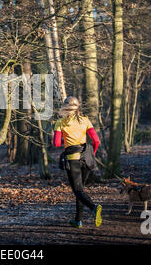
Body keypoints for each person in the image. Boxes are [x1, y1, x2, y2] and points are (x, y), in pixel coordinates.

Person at [53, 96, 102, 228]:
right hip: (86, 158)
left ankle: (94, 207)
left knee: (78, 190)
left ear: (65, 107)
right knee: (80, 190)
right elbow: (96, 140)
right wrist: (93, 154)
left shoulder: (61, 122)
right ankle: (78, 220)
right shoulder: (85, 120)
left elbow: (56, 143)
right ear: (78, 107)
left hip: (73, 159)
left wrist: (65, 140)